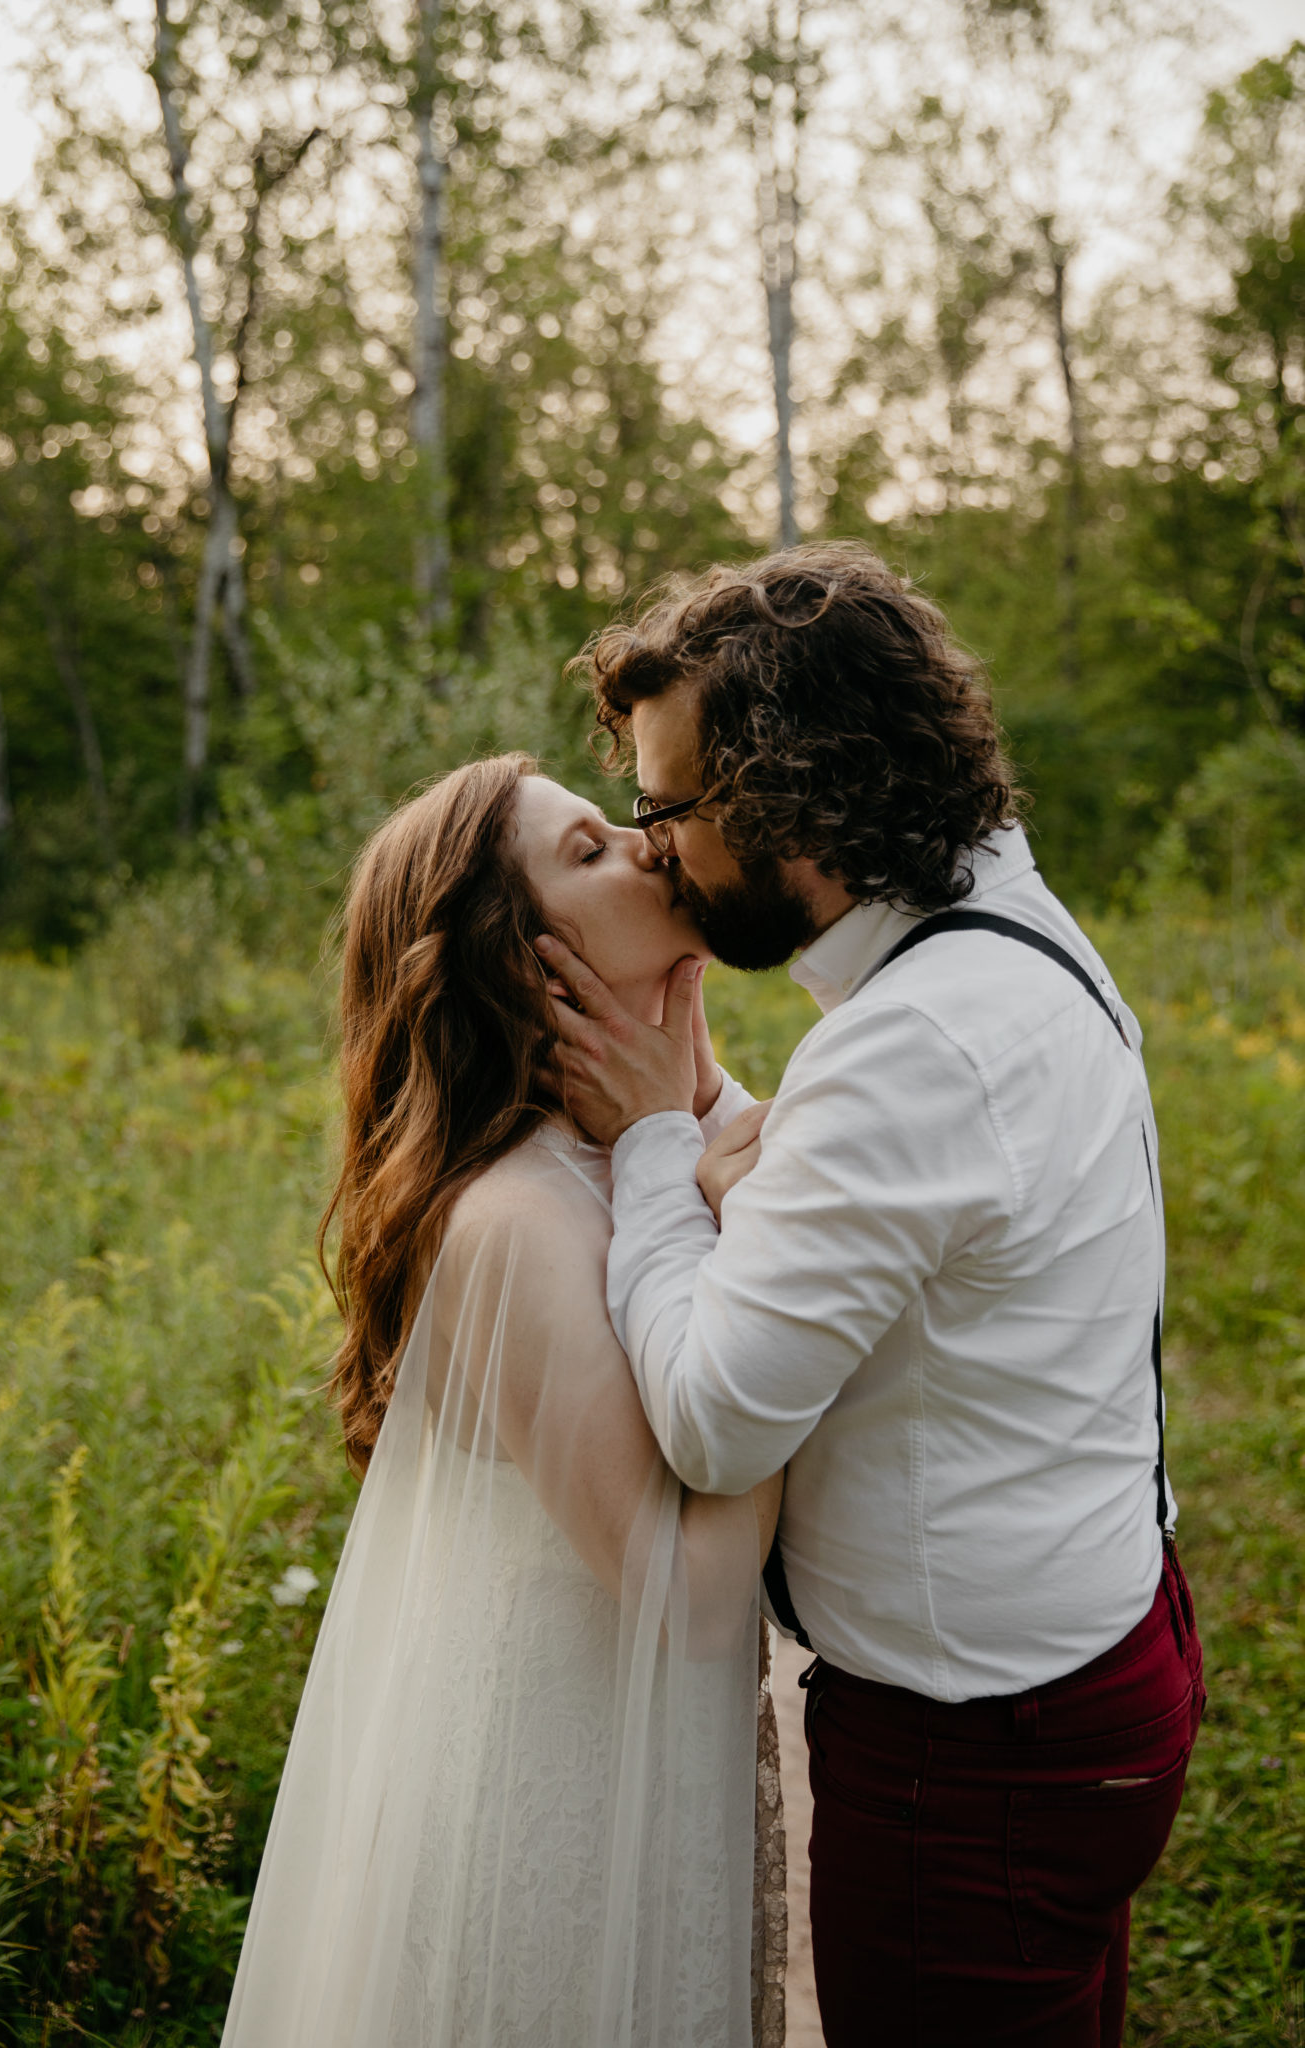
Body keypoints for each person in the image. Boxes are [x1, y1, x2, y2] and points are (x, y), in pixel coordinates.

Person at [538, 540, 1207, 2048]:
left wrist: (655, 1142)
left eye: (667, 808)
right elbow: (883, 1196)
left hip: (978, 1759)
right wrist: (721, 1149)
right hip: (1100, 1646)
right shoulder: (1001, 927)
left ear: (792, 795)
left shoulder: (911, 1045)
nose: (652, 850)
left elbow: (711, 1422)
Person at [221, 754, 786, 2048]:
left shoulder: (633, 1145)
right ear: (519, 964)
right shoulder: (519, 1223)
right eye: (587, 852)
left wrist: (687, 1122)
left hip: (644, 1765)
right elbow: (691, 1601)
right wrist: (768, 1293)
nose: (649, 846)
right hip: (571, 1807)